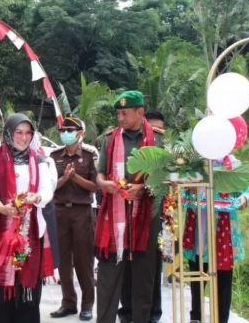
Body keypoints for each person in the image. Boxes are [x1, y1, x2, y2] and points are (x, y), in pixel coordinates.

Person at [94, 91, 164, 323]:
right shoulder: (110, 138)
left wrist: (142, 189)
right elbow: (100, 173)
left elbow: (166, 179)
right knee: (109, 271)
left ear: (140, 112)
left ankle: (141, 319)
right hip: (114, 215)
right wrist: (104, 183)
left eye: (125, 113)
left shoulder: (159, 139)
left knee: (144, 275)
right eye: (118, 113)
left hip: (147, 216)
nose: (120, 118)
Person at [0, 113, 55, 323]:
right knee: (5, 289)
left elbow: (47, 190)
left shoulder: (39, 160)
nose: (23, 137)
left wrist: (37, 197)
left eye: (28, 133)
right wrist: (1, 208)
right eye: (19, 132)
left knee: (29, 289)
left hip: (31, 231)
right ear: (8, 133)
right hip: (2, 231)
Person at [182, 155, 249, 323]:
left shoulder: (232, 164)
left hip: (224, 227)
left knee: (224, 279)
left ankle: (221, 319)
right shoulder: (195, 163)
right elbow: (182, 186)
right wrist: (189, 188)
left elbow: (246, 189)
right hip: (200, 226)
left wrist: (243, 198)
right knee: (197, 274)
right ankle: (196, 317)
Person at [117, 110, 165, 323]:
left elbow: (167, 176)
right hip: (124, 211)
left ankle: (151, 313)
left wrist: (144, 187)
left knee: (151, 269)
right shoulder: (118, 139)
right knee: (126, 265)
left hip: (154, 213)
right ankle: (127, 312)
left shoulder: (163, 144)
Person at [49, 115, 99, 321]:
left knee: (83, 260)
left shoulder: (89, 155)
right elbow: (49, 186)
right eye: (63, 131)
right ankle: (68, 302)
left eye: (70, 131)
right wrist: (64, 178)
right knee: (63, 260)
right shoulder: (54, 156)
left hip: (82, 212)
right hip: (60, 211)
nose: (66, 134)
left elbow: (96, 186)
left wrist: (75, 177)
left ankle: (87, 304)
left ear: (81, 133)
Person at [30, 131, 60, 276]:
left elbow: (52, 184)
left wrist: (38, 195)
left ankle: (43, 268)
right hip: (21, 207)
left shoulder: (46, 160)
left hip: (43, 204)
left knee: (44, 238)